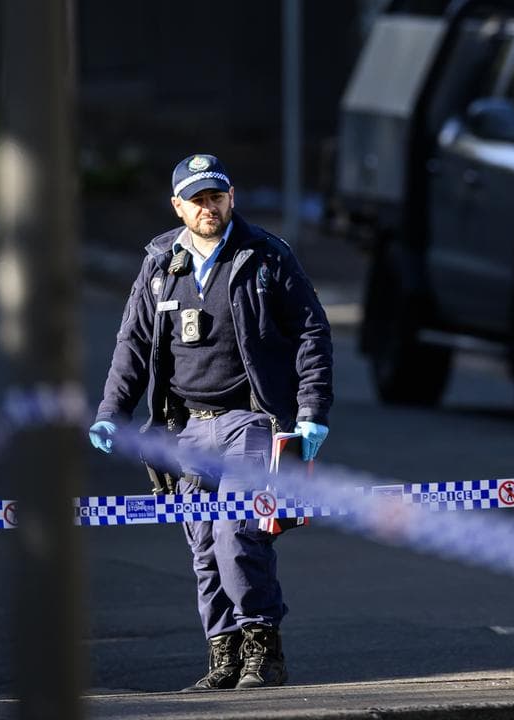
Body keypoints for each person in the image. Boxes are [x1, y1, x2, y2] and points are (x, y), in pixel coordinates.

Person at [87, 153, 334, 690]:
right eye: (196, 200)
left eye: (216, 197)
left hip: (251, 421)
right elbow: (132, 343)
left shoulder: (266, 256)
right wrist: (112, 413)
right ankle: (222, 656)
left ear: (231, 198)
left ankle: (262, 652)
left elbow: (313, 331)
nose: (208, 207)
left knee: (237, 534)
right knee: (203, 543)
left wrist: (311, 410)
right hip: (184, 431)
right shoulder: (160, 264)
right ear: (178, 206)